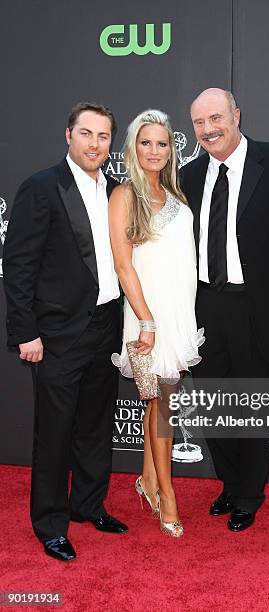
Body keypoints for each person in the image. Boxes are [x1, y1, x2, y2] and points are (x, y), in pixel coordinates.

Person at [3, 102, 128, 562]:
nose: (95, 144)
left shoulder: (117, 191)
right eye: (86, 134)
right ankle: (50, 523)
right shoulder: (41, 187)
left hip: (105, 326)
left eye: (103, 136)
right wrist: (26, 333)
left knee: (95, 425)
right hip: (56, 333)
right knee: (54, 432)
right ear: (68, 135)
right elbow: (17, 267)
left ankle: (89, 505)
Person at [180, 88, 269, 532]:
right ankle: (228, 483)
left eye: (216, 118)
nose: (209, 129)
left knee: (250, 404)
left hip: (255, 305)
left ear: (237, 114)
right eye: (199, 123)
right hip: (204, 304)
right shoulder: (187, 175)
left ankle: (250, 492)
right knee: (210, 405)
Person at [109, 109, 204, 538]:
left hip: (180, 316)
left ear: (172, 149)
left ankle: (148, 479)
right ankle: (168, 495)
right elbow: (123, 267)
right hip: (146, 321)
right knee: (161, 404)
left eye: (162, 143)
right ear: (133, 147)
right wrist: (146, 322)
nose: (154, 150)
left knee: (157, 402)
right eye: (146, 142)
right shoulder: (125, 196)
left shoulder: (177, 196)